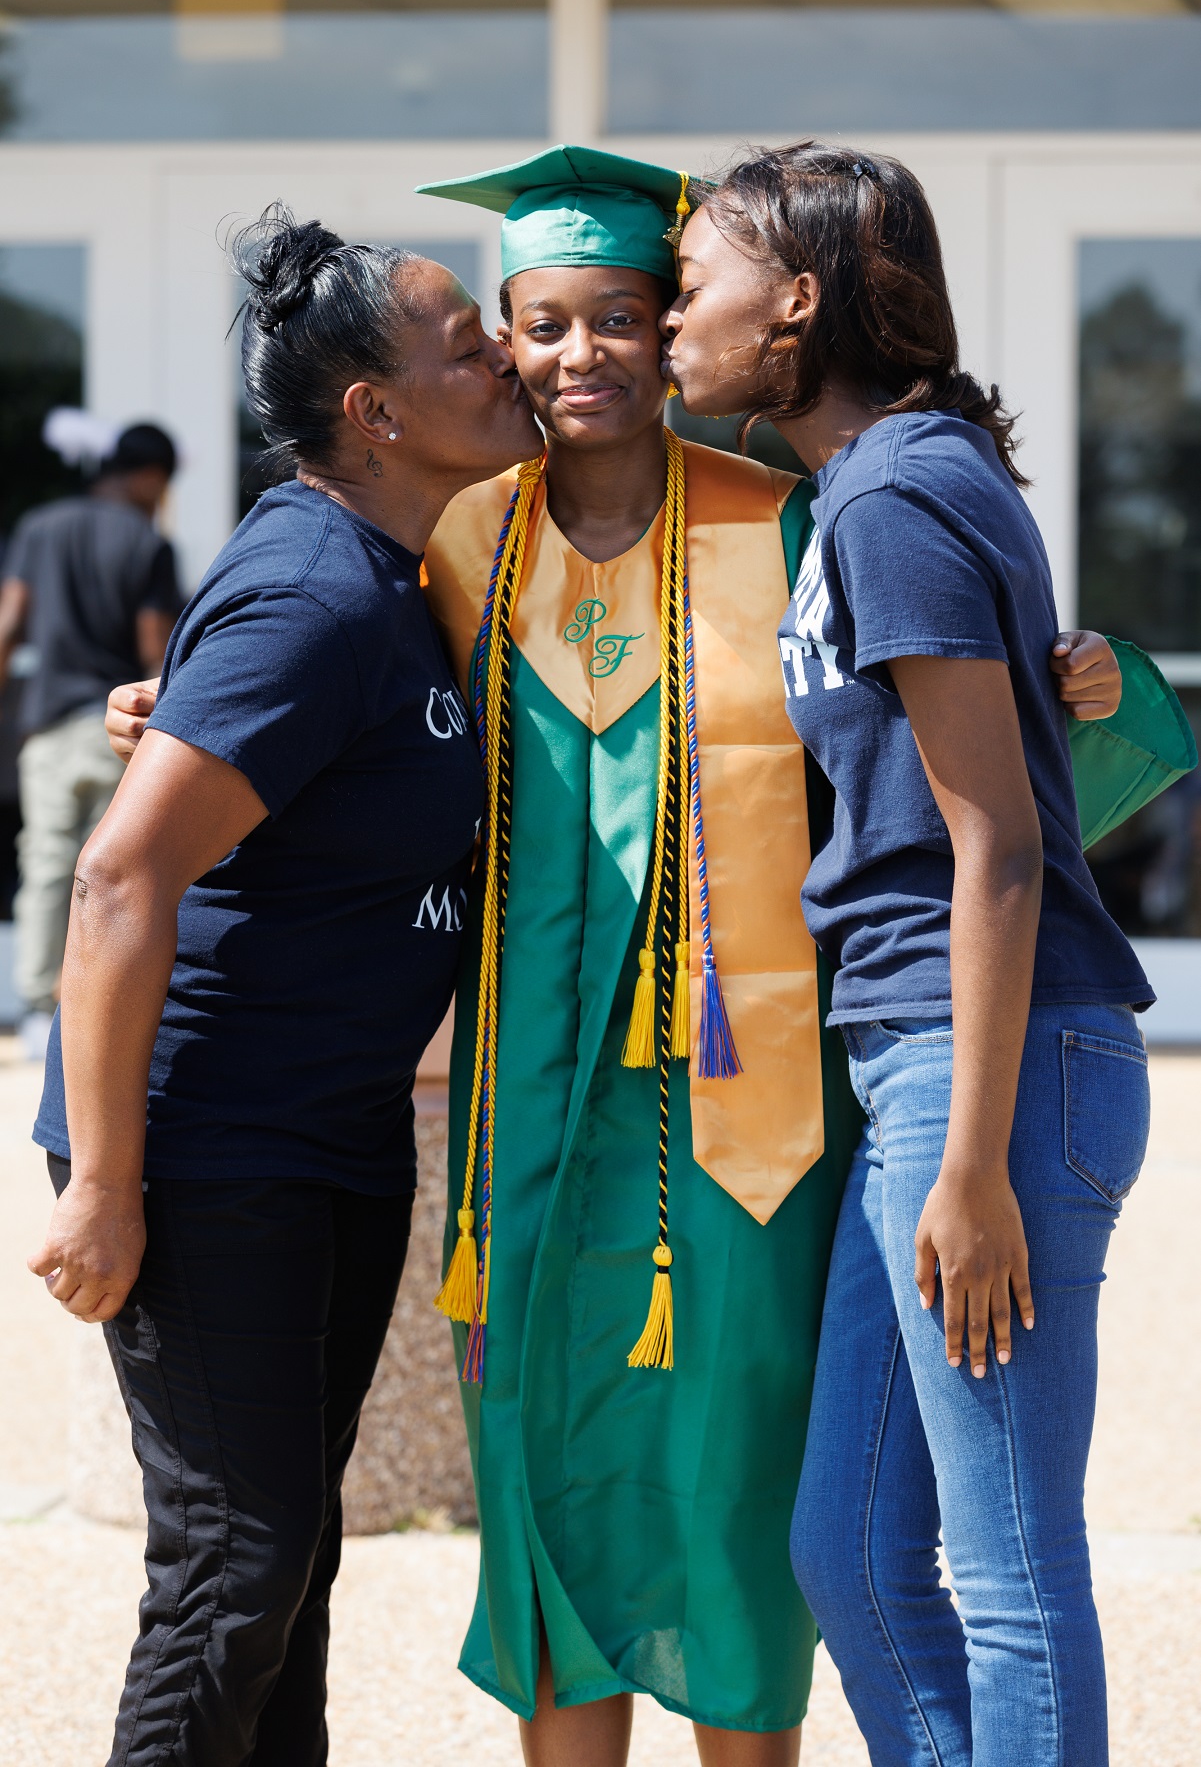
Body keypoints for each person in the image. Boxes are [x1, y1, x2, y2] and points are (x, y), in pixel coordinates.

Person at [103, 152, 1154, 1767]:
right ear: (504, 348)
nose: (579, 352)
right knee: (554, 1498)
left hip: (757, 1127)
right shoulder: (450, 546)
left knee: (755, 1522)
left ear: (675, 330)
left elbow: (924, 753)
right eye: (535, 325)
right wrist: (159, 723)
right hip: (526, 1126)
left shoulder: (796, 510)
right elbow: (313, 704)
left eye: (622, 315)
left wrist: (1064, 669)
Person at [661, 142, 1193, 1765]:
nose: (669, 312)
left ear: (799, 302)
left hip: (989, 1072)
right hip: (929, 1064)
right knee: (853, 1553)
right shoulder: (883, 486)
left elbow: (999, 842)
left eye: (696, 284)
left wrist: (971, 1166)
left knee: (1006, 1566)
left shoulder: (896, 493)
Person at [27, 204, 541, 1767]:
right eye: (470, 344)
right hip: (204, 1140)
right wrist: (106, 1185)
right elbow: (123, 877)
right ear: (372, 413)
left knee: (287, 1566)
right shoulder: (318, 593)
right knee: (232, 1573)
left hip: (326, 1129)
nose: (510, 352)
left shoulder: (404, 568)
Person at [0, 422, 181, 1059]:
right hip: (117, 728)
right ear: (153, 478)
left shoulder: (40, 528)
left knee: (46, 861)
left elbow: (8, 624)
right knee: (113, 872)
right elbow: (156, 655)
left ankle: (29, 1014)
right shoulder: (146, 543)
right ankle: (94, 1012)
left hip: (47, 725)